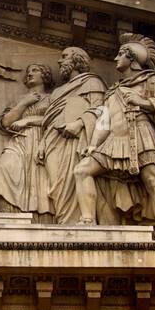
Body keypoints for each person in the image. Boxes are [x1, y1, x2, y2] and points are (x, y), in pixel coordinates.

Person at [74, 35, 155, 239]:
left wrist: (144, 102)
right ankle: (87, 221)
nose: (115, 59)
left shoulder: (151, 81)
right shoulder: (113, 92)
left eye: (120, 54)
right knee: (82, 170)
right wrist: (93, 145)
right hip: (114, 141)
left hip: (142, 135)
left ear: (132, 58)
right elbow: (104, 121)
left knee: (153, 180)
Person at [38, 47, 107, 223]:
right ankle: (65, 224)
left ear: (77, 60)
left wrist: (79, 123)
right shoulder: (57, 92)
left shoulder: (93, 82)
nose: (59, 61)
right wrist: (42, 142)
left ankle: (81, 224)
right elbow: (48, 121)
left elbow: (101, 111)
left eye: (64, 57)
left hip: (78, 138)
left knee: (74, 178)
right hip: (53, 139)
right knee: (57, 186)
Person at [0, 63, 54, 217]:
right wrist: (25, 103)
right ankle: (7, 216)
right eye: (28, 71)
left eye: (35, 70)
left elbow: (56, 120)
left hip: (43, 141)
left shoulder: (52, 98)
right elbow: (6, 122)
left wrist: (29, 120)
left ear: (45, 76)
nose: (30, 74)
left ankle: (40, 218)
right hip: (19, 141)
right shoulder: (19, 99)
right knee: (4, 167)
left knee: (40, 180)